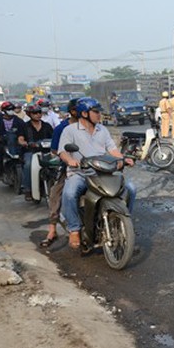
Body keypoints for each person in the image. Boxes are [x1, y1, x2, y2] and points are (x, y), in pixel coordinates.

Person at [58, 97, 135, 249]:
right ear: (85, 113)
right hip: (80, 172)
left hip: (103, 171)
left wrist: (123, 159)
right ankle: (74, 229)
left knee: (131, 188)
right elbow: (62, 152)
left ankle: (124, 221)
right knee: (69, 193)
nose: (99, 115)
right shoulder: (70, 130)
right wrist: (71, 161)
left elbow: (112, 150)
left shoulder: (102, 129)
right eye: (96, 112)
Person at [40, 98, 80, 247]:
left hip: (93, 166)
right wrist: (68, 159)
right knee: (56, 194)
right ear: (73, 112)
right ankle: (52, 230)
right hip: (71, 167)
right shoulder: (61, 128)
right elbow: (55, 150)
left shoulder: (92, 126)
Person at [21, 105, 54, 201]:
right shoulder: (25, 126)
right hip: (30, 152)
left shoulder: (47, 126)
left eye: (39, 112)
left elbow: (54, 138)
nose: (38, 114)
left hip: (46, 152)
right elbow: (20, 138)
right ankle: (27, 189)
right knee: (28, 165)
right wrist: (25, 143)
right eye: (35, 113)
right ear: (29, 114)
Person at [0, 101, 27, 176]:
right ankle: (0, 172)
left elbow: (25, 130)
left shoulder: (18, 120)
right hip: (3, 143)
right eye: (9, 109)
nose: (11, 111)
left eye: (12, 109)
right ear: (4, 111)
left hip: (16, 142)